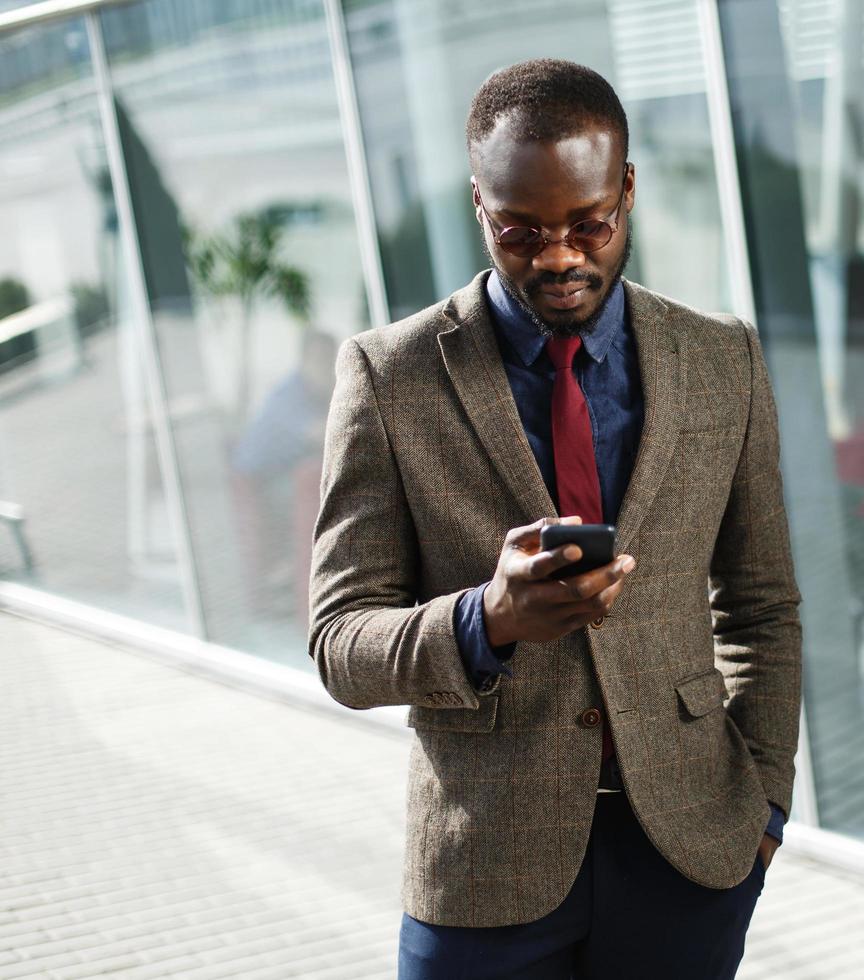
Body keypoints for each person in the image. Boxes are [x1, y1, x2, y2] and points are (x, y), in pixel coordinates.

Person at [307, 58, 802, 979]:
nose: (560, 256)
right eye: (520, 230)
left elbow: (763, 604)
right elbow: (339, 642)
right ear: (478, 205)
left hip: (690, 850)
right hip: (485, 859)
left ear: (628, 190)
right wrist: (484, 619)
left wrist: (764, 810)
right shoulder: (390, 376)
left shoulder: (721, 359)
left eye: (589, 223)